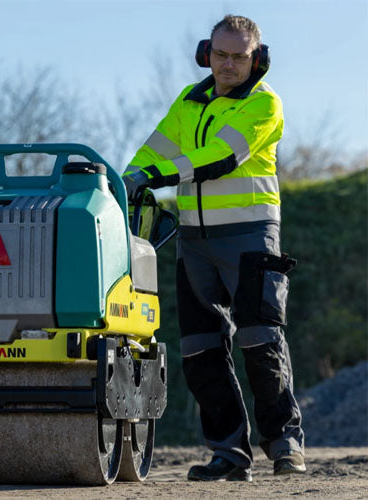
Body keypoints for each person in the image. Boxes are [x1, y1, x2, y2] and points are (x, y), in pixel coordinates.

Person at [123, 14, 305, 482]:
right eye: (220, 55)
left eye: (239, 57)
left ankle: (285, 446)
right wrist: (127, 179)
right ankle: (229, 453)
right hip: (193, 240)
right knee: (200, 349)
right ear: (207, 54)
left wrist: (156, 177)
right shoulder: (190, 100)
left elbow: (220, 157)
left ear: (257, 58)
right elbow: (154, 151)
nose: (228, 65)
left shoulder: (265, 105)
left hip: (249, 237)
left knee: (261, 342)